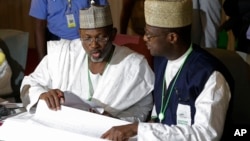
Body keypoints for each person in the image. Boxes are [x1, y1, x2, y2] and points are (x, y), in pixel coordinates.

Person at [101, 0, 234, 140]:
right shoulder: (161, 60)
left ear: (172, 37)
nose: (144, 39)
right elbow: (160, 112)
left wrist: (139, 129)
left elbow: (206, 134)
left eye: (150, 35)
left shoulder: (209, 75)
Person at [20, 1, 154, 122]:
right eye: (87, 38)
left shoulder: (133, 65)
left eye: (101, 37)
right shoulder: (64, 54)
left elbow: (143, 109)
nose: (94, 45)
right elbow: (28, 85)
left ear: (113, 34)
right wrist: (42, 95)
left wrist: (115, 120)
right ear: (80, 35)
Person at [29, 0, 108, 61]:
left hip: (86, 42)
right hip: (56, 43)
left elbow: (104, 15)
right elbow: (39, 26)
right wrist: (42, 61)